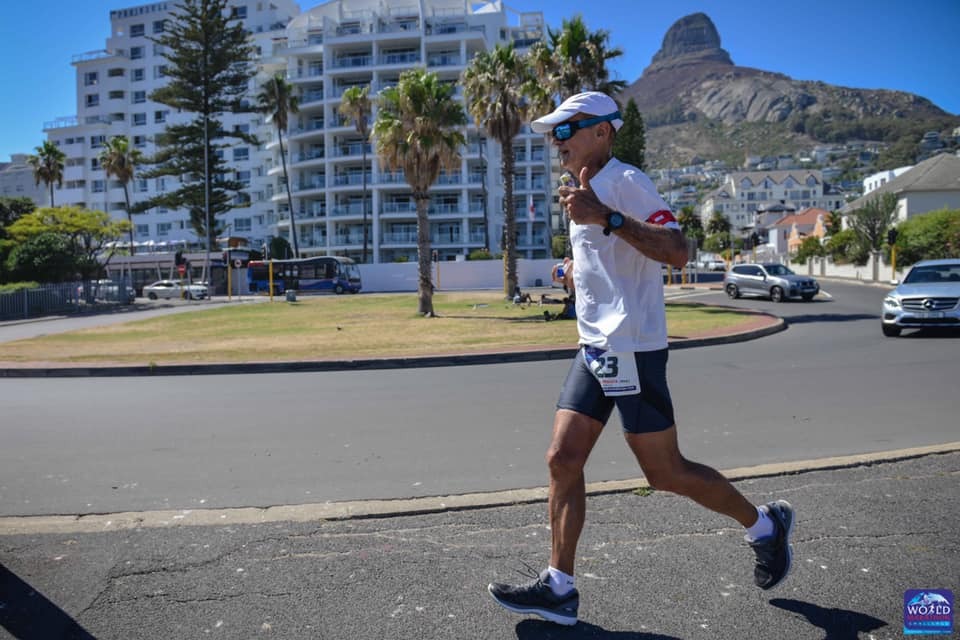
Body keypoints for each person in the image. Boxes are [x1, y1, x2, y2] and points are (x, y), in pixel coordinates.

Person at [488, 91, 794, 627]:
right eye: (553, 133)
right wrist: (574, 267)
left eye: (566, 131)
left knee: (665, 472)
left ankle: (764, 526)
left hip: (634, 348)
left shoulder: (626, 182)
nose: (555, 143)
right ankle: (560, 587)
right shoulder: (583, 190)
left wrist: (605, 217)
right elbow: (611, 259)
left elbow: (678, 250)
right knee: (562, 459)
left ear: (603, 132)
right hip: (597, 349)